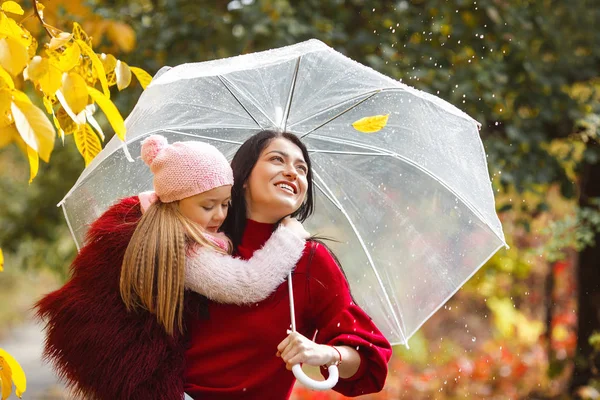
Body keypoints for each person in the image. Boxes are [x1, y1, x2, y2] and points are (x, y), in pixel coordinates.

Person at [35, 135, 309, 399]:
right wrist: (290, 235)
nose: (220, 215)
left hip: (109, 357)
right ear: (175, 201)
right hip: (140, 376)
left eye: (226, 204)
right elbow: (248, 284)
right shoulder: (178, 247)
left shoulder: (142, 217)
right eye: (207, 205)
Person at [183, 130, 393, 399]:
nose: (292, 172)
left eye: (301, 168)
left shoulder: (310, 262)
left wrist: (326, 353)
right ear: (243, 176)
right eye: (277, 160)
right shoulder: (194, 240)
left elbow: (369, 359)